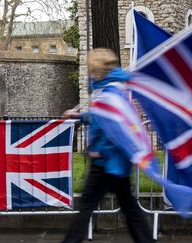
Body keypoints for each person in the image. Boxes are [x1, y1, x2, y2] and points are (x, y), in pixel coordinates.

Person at [61, 48, 154, 243]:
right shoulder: (111, 89)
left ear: (96, 69)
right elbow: (101, 118)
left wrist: (97, 151)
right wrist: (79, 116)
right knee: (129, 207)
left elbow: (114, 128)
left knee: (87, 206)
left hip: (106, 162)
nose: (88, 73)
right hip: (117, 163)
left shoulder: (109, 93)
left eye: (90, 68)